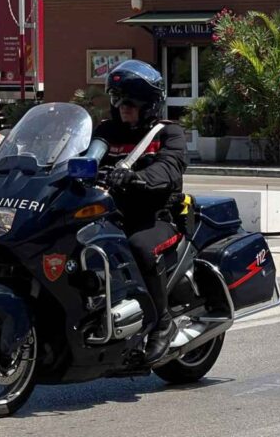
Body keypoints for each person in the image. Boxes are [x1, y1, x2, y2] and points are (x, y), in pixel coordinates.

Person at [92, 60, 187, 363]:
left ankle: (163, 324)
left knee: (139, 248)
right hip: (113, 215)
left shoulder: (168, 133)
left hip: (156, 217)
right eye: (118, 99)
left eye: (132, 100)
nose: (123, 106)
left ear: (149, 103)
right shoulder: (106, 132)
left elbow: (170, 168)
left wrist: (138, 178)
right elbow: (80, 156)